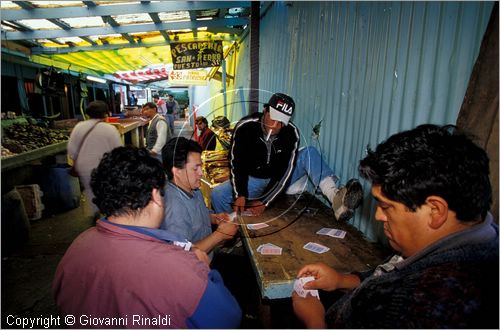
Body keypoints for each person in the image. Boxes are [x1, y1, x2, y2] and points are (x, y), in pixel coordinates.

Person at [292, 124, 499, 328]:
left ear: (435, 210)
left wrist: (315, 320)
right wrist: (341, 280)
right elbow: (388, 271)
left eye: (386, 206)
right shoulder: (471, 239)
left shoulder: (423, 307)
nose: (378, 215)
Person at [53, 146, 242, 328]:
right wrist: (202, 268)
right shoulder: (177, 267)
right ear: (155, 196)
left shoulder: (77, 247)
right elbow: (229, 319)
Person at [211, 92, 363, 221]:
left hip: (282, 180)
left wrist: (265, 201)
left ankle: (335, 198)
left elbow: (286, 172)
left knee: (309, 152)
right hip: (255, 181)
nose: (276, 126)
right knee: (217, 195)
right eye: (273, 118)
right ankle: (234, 229)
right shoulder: (245, 127)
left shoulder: (292, 133)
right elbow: (237, 164)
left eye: (282, 122)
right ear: (265, 110)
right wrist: (240, 194)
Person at [161, 137, 239, 259]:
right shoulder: (174, 207)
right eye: (195, 168)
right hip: (195, 271)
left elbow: (195, 215)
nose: (201, 173)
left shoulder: (192, 188)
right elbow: (182, 255)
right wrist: (219, 235)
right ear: (176, 171)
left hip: (208, 256)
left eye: (200, 167)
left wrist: (213, 218)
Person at [67, 100, 122, 218]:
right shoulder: (110, 129)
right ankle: (107, 217)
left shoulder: (79, 127)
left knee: (90, 191)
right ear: (105, 114)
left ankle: (94, 217)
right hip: (104, 167)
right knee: (106, 191)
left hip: (84, 167)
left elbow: (71, 150)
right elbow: (118, 151)